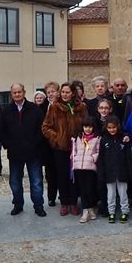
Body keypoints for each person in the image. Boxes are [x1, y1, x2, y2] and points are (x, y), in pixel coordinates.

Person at [0, 83, 47, 217]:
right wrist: (8, 144)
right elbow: (1, 130)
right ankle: (18, 204)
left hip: (33, 152)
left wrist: (35, 143)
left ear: (24, 92)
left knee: (36, 181)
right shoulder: (6, 110)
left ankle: (38, 206)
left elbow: (42, 128)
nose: (17, 94)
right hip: (15, 153)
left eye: (19, 92)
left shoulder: (35, 109)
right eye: (15, 92)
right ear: (11, 94)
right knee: (14, 181)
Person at [42, 82, 88, 216]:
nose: (65, 95)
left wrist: (82, 139)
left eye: (68, 92)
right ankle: (64, 202)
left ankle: (73, 202)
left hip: (77, 148)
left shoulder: (82, 107)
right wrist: (56, 137)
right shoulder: (55, 107)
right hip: (60, 148)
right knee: (62, 175)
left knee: (74, 176)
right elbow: (45, 127)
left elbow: (87, 124)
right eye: (63, 92)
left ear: (73, 93)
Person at [96, 116, 132, 223]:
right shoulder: (104, 140)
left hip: (122, 172)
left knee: (123, 194)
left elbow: (128, 157)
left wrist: (131, 172)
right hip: (109, 173)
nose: (112, 130)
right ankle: (111, 212)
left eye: (114, 127)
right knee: (111, 194)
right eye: (109, 128)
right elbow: (101, 158)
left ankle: (125, 212)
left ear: (118, 127)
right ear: (106, 128)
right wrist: (101, 173)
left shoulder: (124, 139)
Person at [71, 117, 101, 223]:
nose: (87, 129)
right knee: (82, 190)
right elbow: (73, 150)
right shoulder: (78, 138)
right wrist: (74, 159)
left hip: (90, 167)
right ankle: (86, 211)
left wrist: (92, 158)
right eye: (85, 127)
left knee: (89, 189)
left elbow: (98, 151)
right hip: (79, 166)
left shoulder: (97, 138)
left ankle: (90, 208)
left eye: (90, 127)